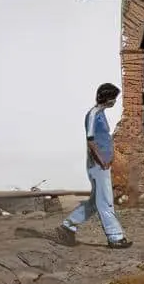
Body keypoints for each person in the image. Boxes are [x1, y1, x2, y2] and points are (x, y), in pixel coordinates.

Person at [56, 83, 131, 249]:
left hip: (103, 164)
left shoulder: (101, 113)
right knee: (105, 201)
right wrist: (101, 159)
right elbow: (91, 140)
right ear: (108, 97)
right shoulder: (93, 114)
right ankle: (115, 236)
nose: (115, 101)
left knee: (95, 202)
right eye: (114, 97)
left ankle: (68, 226)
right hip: (98, 165)